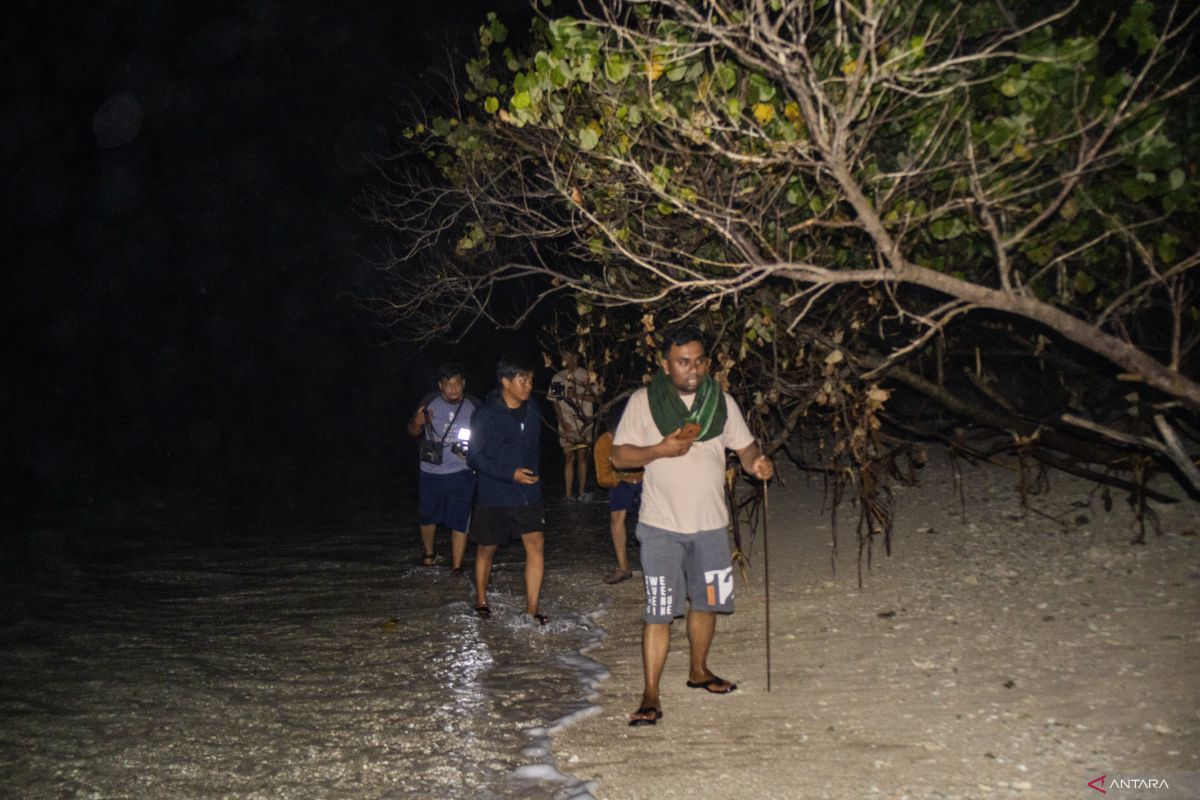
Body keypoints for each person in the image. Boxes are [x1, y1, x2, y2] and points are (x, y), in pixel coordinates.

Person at [612, 325, 774, 726]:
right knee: (660, 610)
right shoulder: (643, 403)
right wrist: (659, 450)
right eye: (684, 361)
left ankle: (699, 670)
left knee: (708, 602)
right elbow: (618, 457)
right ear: (666, 365)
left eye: (700, 360)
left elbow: (745, 445)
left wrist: (756, 463)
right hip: (660, 527)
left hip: (711, 527)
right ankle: (650, 694)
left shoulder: (721, 402)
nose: (694, 369)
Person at [466, 355, 548, 624]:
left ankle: (532, 611)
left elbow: (535, 448)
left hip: (528, 493)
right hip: (494, 493)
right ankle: (481, 601)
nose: (528, 385)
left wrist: (533, 476)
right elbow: (474, 457)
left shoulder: (534, 409)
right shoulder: (486, 414)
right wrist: (510, 474)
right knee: (487, 548)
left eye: (531, 379)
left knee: (536, 544)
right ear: (505, 381)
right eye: (522, 379)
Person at [405, 362, 478, 570]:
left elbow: (485, 437)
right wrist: (418, 422)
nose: (453, 389)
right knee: (427, 516)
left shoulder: (474, 405)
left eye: (457, 383)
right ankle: (429, 555)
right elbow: (411, 431)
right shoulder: (429, 403)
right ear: (440, 385)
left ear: (463, 383)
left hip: (462, 472)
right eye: (448, 384)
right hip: (431, 471)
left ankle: (456, 567)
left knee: (461, 520)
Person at [593, 418, 643, 584]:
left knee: (653, 520)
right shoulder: (603, 443)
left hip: (646, 479)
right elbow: (603, 478)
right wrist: (619, 475)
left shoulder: (643, 435)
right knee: (616, 519)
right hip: (620, 482)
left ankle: (659, 564)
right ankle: (623, 567)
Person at [550, 350, 598, 501]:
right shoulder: (558, 376)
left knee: (582, 456)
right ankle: (568, 494)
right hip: (567, 424)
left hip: (584, 423)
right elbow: (555, 401)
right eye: (566, 356)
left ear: (578, 357)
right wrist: (563, 423)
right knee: (569, 457)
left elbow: (596, 398)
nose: (569, 359)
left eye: (572, 356)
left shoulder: (587, 375)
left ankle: (582, 492)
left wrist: (575, 395)